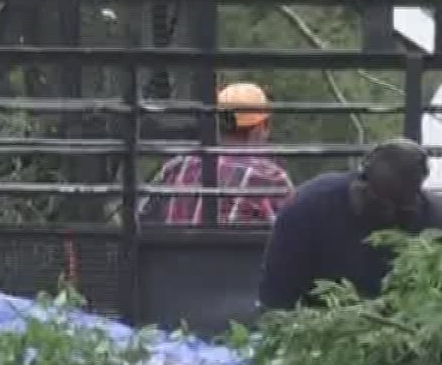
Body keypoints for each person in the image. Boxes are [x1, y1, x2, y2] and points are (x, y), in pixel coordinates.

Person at [257, 138, 439, 309]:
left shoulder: (432, 220)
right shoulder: (309, 207)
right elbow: (276, 295)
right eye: (382, 204)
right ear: (361, 185)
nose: (390, 214)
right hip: (319, 321)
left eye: (400, 207)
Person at [139, 82, 294, 225]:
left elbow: (142, 221)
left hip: (173, 254)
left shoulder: (176, 166)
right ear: (261, 127)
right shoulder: (269, 178)